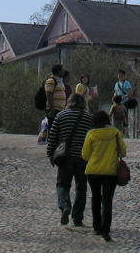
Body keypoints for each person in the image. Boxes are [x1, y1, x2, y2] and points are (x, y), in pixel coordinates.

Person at [45, 92, 90, 228]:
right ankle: (77, 218)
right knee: (81, 188)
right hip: (83, 157)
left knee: (63, 184)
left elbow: (52, 136)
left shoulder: (61, 115)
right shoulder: (89, 118)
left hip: (65, 157)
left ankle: (65, 205)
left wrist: (50, 154)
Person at [81, 109, 127, 242]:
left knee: (96, 198)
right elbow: (123, 152)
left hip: (93, 171)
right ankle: (105, 230)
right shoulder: (115, 133)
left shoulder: (91, 134)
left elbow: (85, 155)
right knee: (107, 201)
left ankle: (96, 226)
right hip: (110, 172)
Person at [44, 64, 69, 130]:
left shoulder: (60, 81)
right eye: (62, 70)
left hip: (59, 109)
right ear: (58, 71)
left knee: (58, 129)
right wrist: (52, 109)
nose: (64, 71)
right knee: (53, 128)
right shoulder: (51, 81)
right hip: (54, 109)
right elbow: (49, 95)